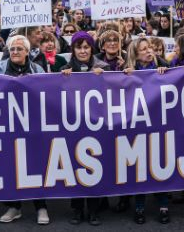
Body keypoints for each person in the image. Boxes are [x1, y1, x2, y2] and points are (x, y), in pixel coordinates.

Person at [0, 35, 49, 225]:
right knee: (10, 165)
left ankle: (41, 207)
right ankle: (14, 207)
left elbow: (48, 93)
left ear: (27, 52)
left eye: (19, 49)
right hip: (7, 126)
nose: (15, 52)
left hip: (32, 126)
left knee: (35, 166)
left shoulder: (38, 69)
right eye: (12, 49)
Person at [120, 36, 169, 224]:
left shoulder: (163, 66)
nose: (149, 51)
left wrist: (167, 72)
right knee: (140, 166)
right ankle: (139, 206)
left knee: (161, 164)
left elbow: (182, 73)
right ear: (135, 53)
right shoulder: (126, 70)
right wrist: (126, 77)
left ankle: (163, 205)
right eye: (143, 49)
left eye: (150, 48)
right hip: (137, 127)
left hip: (160, 126)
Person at [61, 31, 107, 226]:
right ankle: (77, 209)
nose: (82, 51)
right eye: (79, 47)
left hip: (96, 127)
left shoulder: (103, 68)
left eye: (86, 47)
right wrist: (62, 78)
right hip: (73, 128)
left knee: (95, 168)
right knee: (75, 169)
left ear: (91, 48)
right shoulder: (65, 68)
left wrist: (103, 77)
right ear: (73, 49)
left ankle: (94, 210)